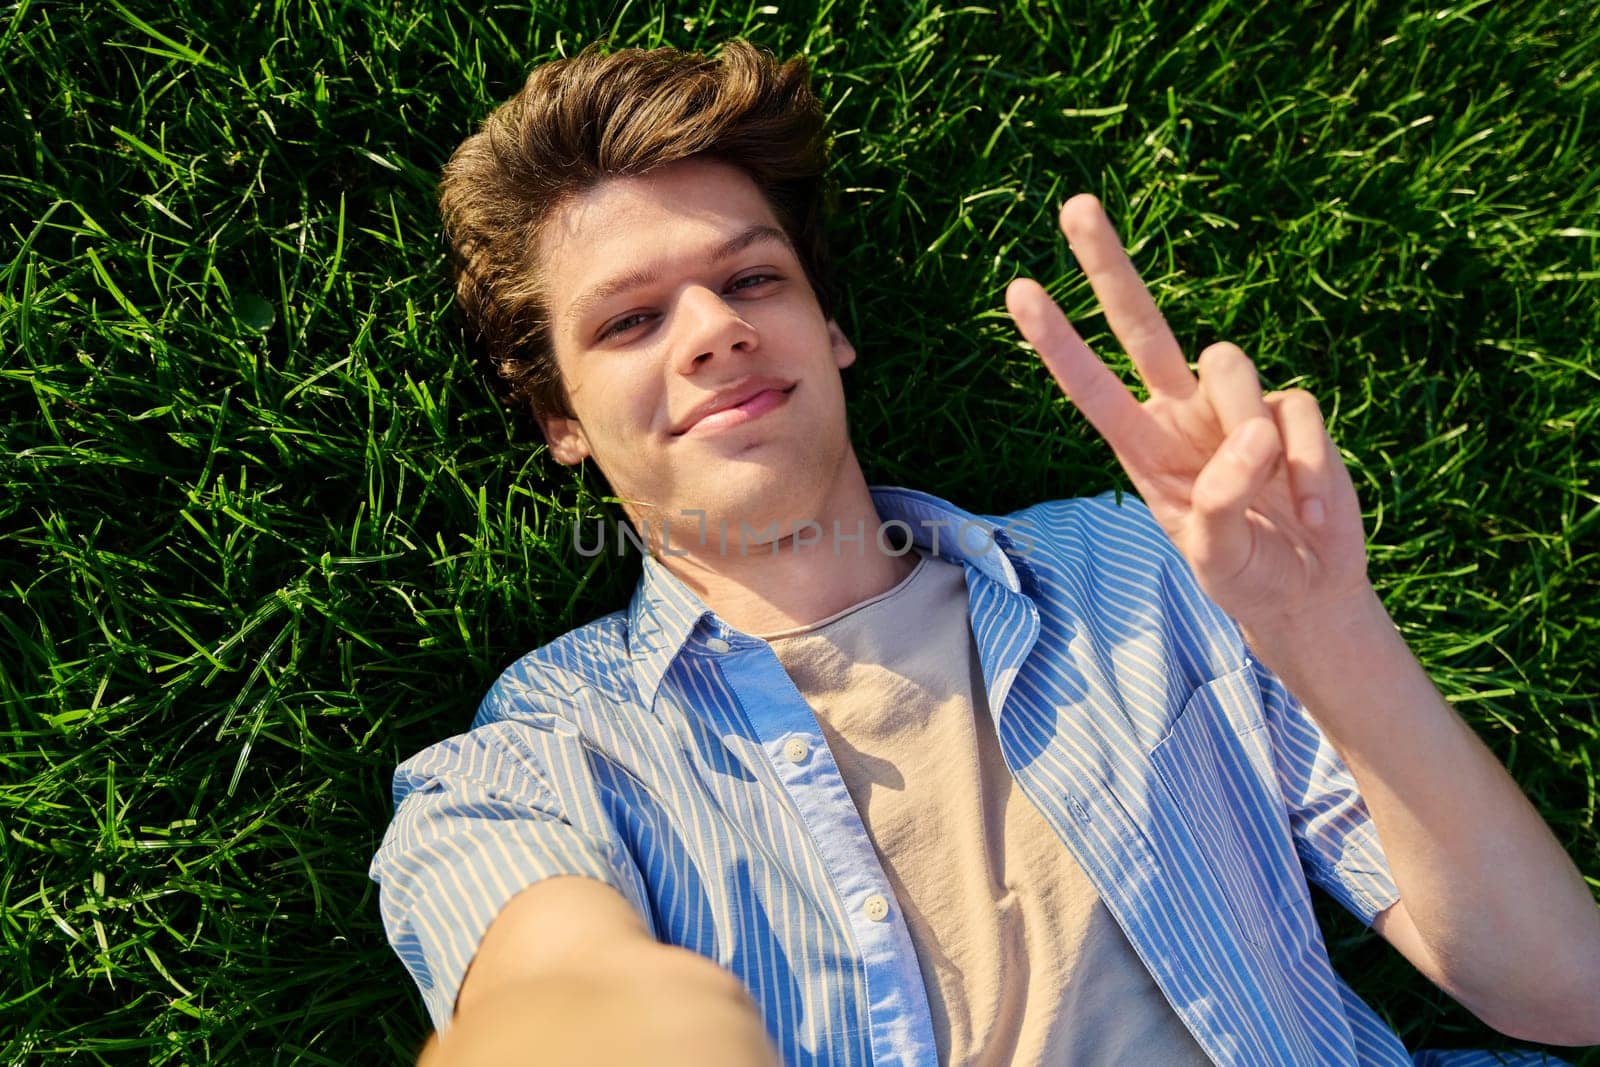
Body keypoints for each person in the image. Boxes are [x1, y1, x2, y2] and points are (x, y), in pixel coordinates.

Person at [368, 39, 1600, 1066]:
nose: (714, 329)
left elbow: (1562, 990)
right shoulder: (540, 749)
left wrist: (1329, 626)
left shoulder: (1142, 572)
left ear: (831, 330)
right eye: (631, 320)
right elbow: (560, 988)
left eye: (753, 277)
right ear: (562, 422)